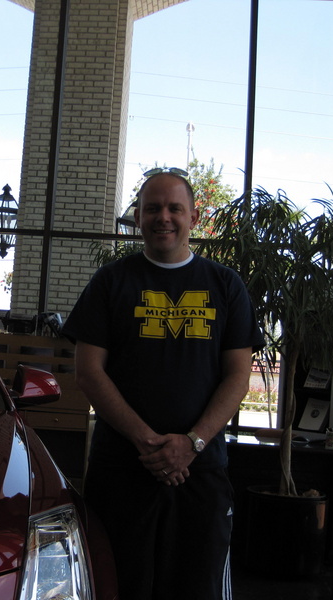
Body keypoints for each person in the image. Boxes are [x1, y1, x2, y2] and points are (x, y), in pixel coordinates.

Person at [62, 170, 264, 600]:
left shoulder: (226, 286)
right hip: (121, 470)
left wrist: (191, 443)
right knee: (116, 586)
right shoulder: (110, 282)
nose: (163, 217)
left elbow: (238, 376)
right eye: (152, 208)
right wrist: (148, 442)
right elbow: (88, 373)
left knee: (198, 588)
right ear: (137, 216)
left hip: (201, 473)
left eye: (174, 208)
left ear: (194, 216)